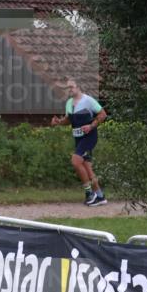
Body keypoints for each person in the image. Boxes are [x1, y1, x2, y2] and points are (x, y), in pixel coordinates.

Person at [50, 77, 108, 206]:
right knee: (87, 167)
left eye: (71, 87)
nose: (69, 89)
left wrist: (91, 126)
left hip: (89, 137)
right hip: (78, 138)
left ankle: (89, 193)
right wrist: (58, 122)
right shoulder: (69, 103)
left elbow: (103, 114)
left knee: (75, 161)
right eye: (67, 87)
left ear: (79, 87)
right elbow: (69, 120)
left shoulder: (88, 100)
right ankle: (100, 196)